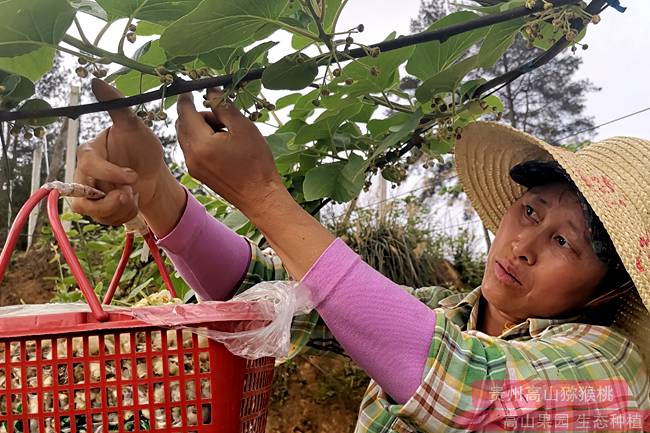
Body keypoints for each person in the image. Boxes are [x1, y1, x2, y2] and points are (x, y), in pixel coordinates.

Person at [72, 79, 650, 432]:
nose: (523, 246)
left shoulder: (614, 369)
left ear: (611, 287)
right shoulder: (448, 315)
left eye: (564, 241)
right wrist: (157, 192)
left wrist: (263, 195)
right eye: (530, 211)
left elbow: (464, 386)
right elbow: (264, 292)